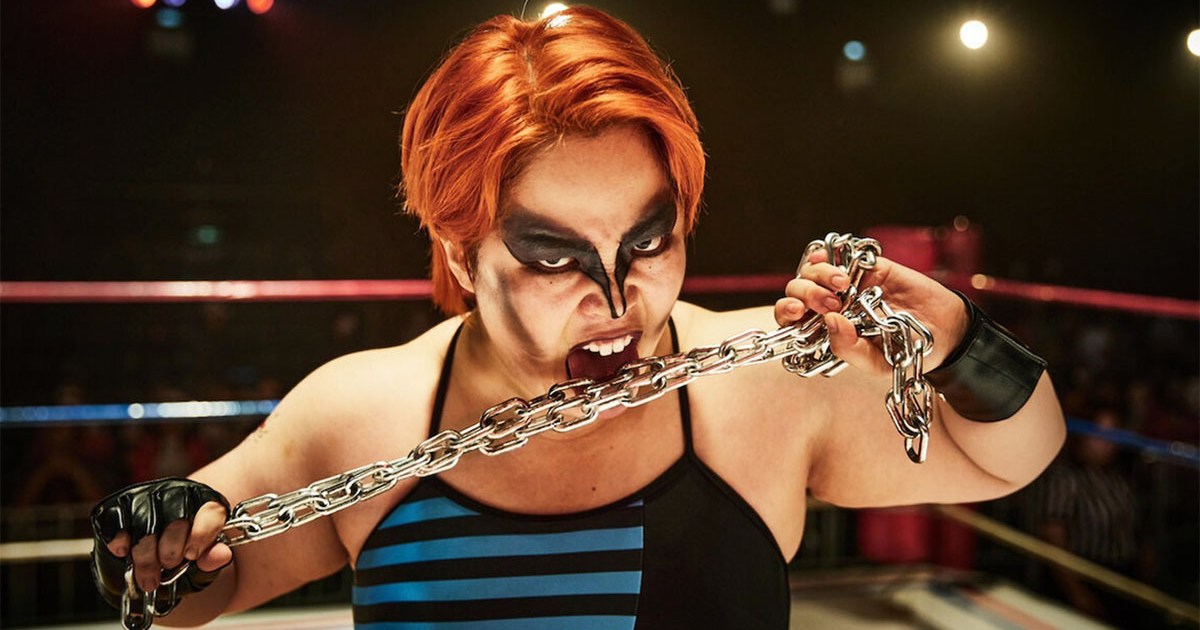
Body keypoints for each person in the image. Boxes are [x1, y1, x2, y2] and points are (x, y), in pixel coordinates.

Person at [89, 7, 1065, 628]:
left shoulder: (757, 389)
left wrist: (959, 344)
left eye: (648, 238)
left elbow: (1011, 457)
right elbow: (182, 591)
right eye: (553, 255)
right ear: (461, 254)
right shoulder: (364, 411)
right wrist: (156, 537)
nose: (616, 293)